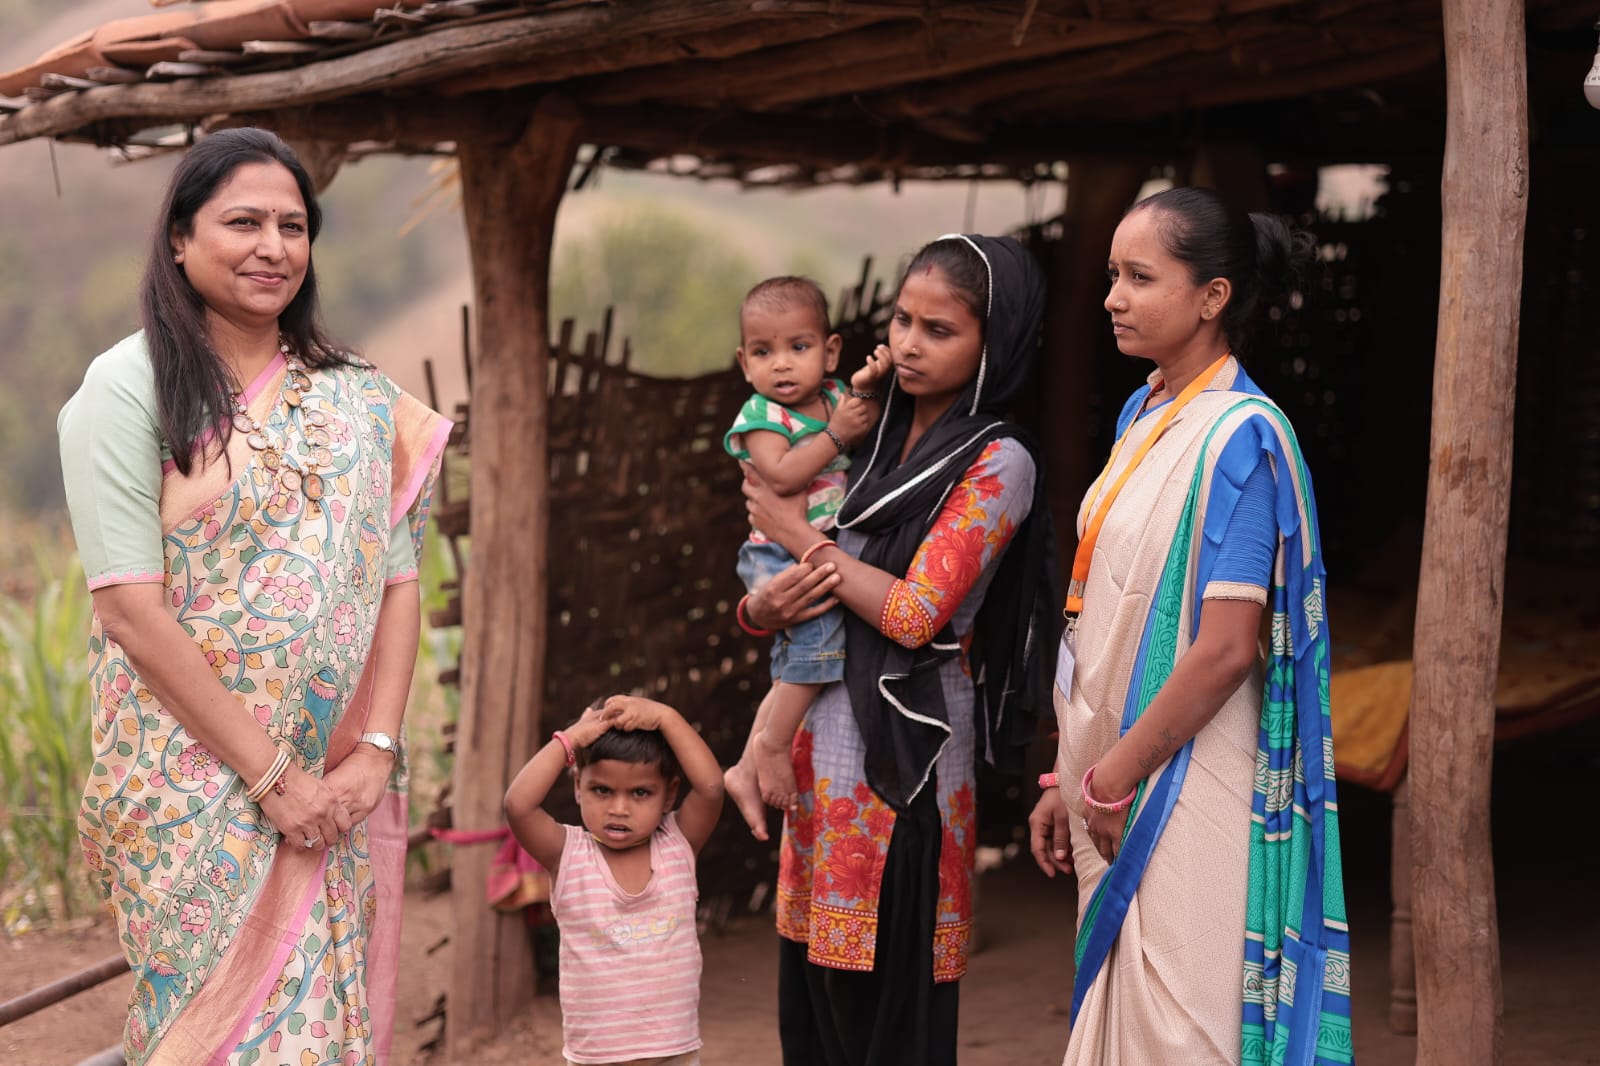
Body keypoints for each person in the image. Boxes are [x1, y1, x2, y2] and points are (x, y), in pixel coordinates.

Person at [57, 127, 451, 1065]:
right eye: (243, 222)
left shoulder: (355, 396)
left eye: (293, 224)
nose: (273, 245)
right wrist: (274, 781)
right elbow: (128, 611)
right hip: (188, 789)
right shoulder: (127, 388)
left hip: (333, 785)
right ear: (181, 241)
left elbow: (396, 580)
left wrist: (376, 756)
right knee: (212, 1036)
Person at [1026, 187, 1352, 1065]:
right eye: (1110, 276)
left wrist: (1111, 776)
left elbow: (1221, 651)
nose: (1113, 297)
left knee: (1186, 1032)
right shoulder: (1145, 414)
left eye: (1140, 277)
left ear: (1211, 296)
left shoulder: (1242, 437)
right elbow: (1103, 609)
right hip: (1112, 772)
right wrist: (1070, 775)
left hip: (1190, 778)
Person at [740, 235, 1058, 1066]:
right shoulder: (867, 433)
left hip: (906, 767)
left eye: (940, 329)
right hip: (820, 759)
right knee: (814, 1011)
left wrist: (798, 541)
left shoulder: (999, 460)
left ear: (997, 341)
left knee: (889, 1020)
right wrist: (762, 604)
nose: (911, 343)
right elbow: (790, 586)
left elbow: (916, 613)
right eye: (903, 321)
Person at [720, 276, 887, 831]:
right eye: (764, 353)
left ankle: (744, 767)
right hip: (776, 556)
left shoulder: (837, 397)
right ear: (745, 363)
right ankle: (770, 746)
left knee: (799, 664)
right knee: (817, 651)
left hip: (813, 551)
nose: (782, 365)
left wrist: (864, 385)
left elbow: (866, 420)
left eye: (799, 347)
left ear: (830, 350)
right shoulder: (762, 418)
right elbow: (783, 476)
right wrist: (836, 436)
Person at [504, 694, 725, 1066]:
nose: (619, 808)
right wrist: (570, 740)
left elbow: (712, 787)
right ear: (578, 787)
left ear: (669, 794)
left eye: (640, 793)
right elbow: (517, 805)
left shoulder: (678, 843)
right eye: (601, 790)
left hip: (675, 1053)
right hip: (597, 1057)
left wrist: (666, 717)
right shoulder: (567, 854)